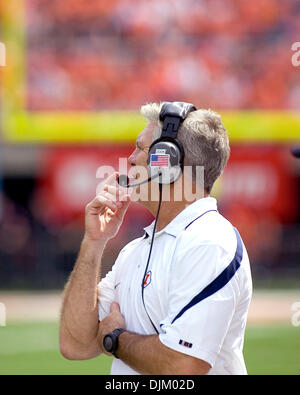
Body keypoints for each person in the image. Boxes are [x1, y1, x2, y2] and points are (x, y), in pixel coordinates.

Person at [59, 102, 252, 375]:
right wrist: (94, 242)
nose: (131, 159)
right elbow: (75, 344)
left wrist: (115, 337)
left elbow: (183, 365)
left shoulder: (210, 243)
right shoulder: (135, 251)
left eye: (141, 148)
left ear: (169, 162)